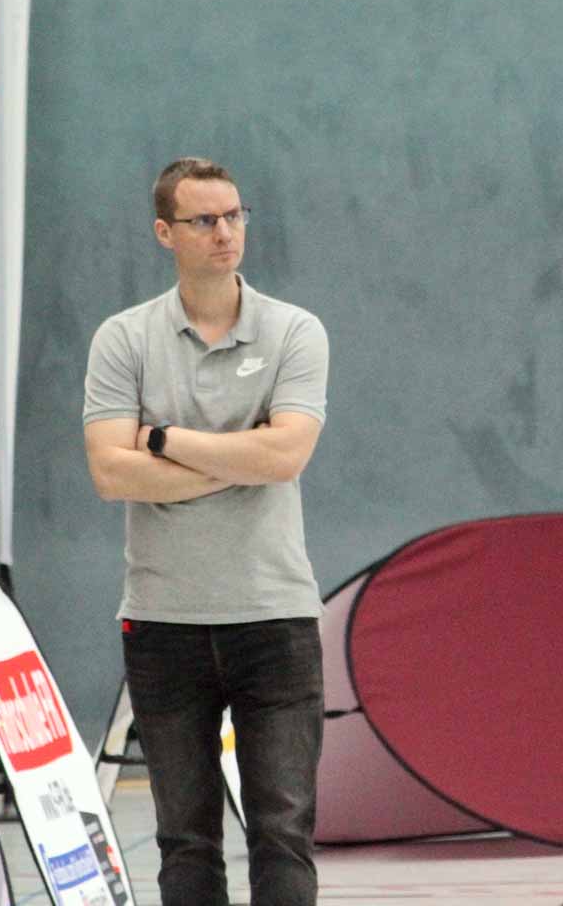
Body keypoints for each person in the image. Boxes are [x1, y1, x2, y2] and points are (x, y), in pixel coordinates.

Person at [82, 157, 329, 906]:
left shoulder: (293, 331)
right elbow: (108, 474)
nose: (225, 233)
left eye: (234, 216)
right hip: (165, 624)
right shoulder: (123, 339)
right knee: (185, 841)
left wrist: (163, 440)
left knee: (282, 830)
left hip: (275, 618)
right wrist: (240, 458)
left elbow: (286, 453)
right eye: (204, 220)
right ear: (166, 232)